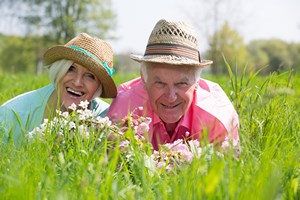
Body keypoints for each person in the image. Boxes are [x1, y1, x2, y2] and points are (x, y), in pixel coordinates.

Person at [107, 19, 239, 151]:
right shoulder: (125, 110)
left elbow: (222, 166)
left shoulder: (216, 119)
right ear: (144, 80)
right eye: (160, 83)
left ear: (196, 82)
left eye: (181, 84)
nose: (171, 97)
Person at [0, 33, 117, 146]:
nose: (77, 82)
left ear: (99, 86)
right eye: (71, 68)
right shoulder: (12, 115)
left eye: (90, 76)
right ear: (59, 70)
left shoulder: (106, 120)